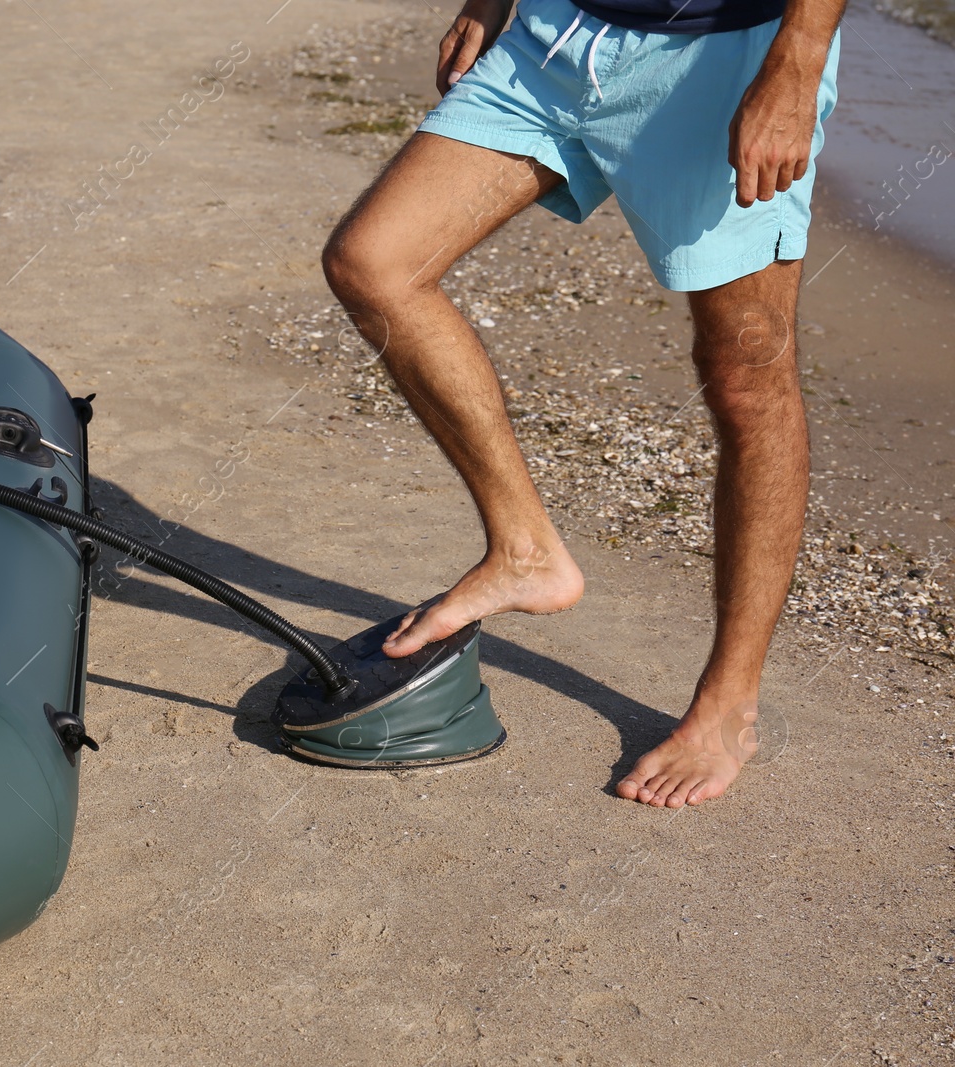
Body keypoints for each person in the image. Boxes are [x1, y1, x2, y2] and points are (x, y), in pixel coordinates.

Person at [321, 0, 844, 807]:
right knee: (374, 262)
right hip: (563, 35)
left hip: (725, 53)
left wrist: (799, 56)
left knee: (746, 377)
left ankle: (729, 706)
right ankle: (524, 550)